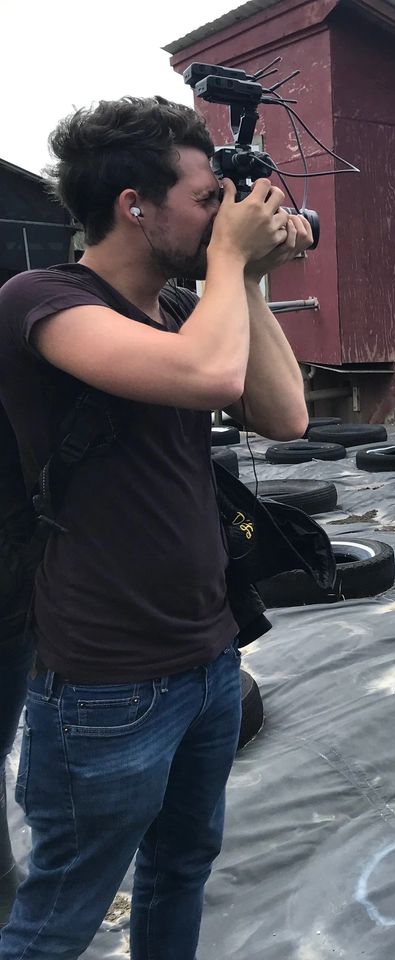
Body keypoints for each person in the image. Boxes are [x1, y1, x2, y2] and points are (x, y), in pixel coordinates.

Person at [0, 96, 311, 958]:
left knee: (181, 870)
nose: (224, 214)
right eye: (207, 198)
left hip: (208, 661)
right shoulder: (42, 302)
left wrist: (244, 278)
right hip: (105, 685)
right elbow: (212, 375)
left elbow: (285, 417)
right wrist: (229, 264)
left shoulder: (182, 307)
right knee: (60, 913)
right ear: (134, 205)